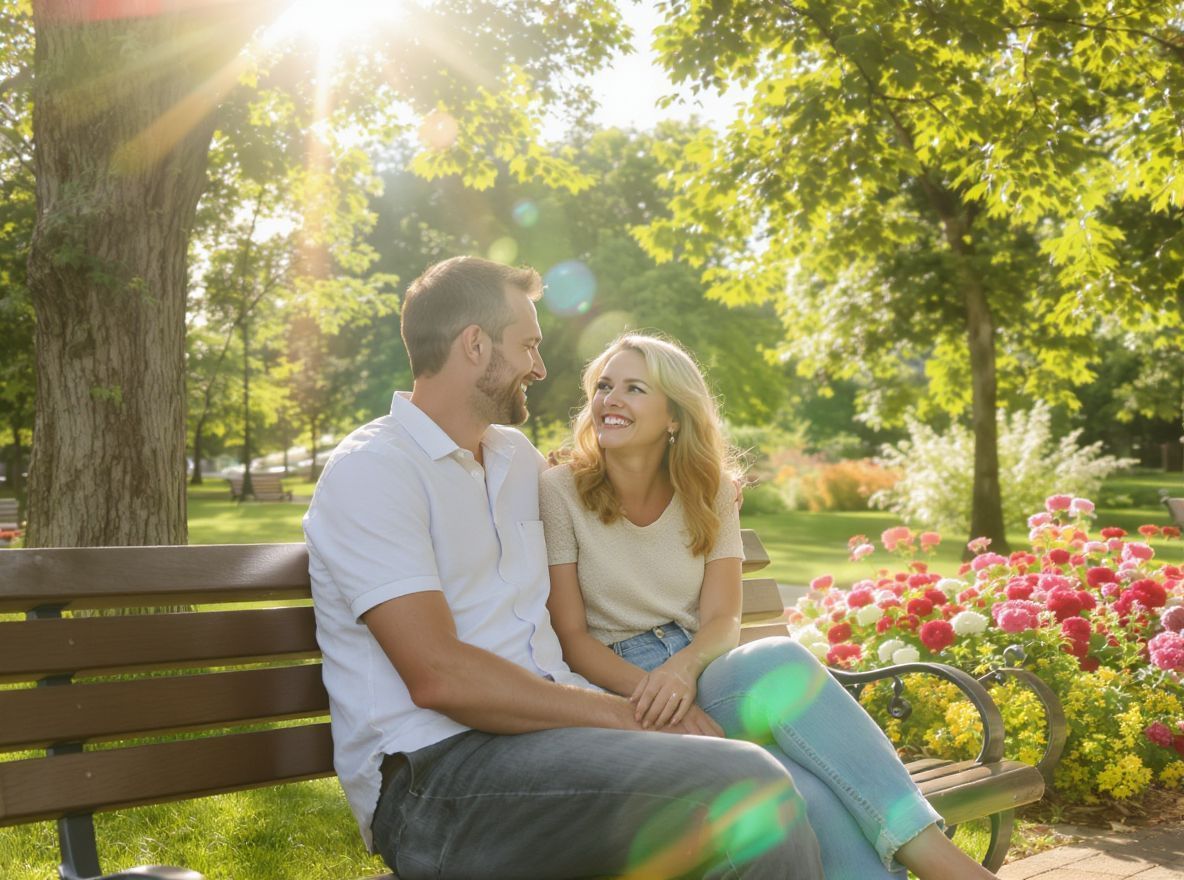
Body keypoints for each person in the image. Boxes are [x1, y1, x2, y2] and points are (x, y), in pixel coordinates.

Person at [303, 256, 825, 879]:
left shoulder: (513, 458)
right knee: (747, 783)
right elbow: (440, 677)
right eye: (528, 345)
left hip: (551, 743)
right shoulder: (376, 470)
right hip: (437, 780)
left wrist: (705, 484)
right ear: (475, 345)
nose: (541, 368)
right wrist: (627, 716)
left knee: (785, 765)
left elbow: (610, 480)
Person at [539, 333, 999, 880]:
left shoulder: (709, 490)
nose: (610, 400)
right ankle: (948, 865)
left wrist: (683, 671)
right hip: (619, 687)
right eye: (603, 387)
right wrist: (659, 698)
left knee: (793, 723)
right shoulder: (561, 490)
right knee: (802, 778)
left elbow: (721, 621)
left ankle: (934, 857)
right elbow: (573, 639)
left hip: (701, 670)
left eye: (634, 388)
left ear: (675, 417)